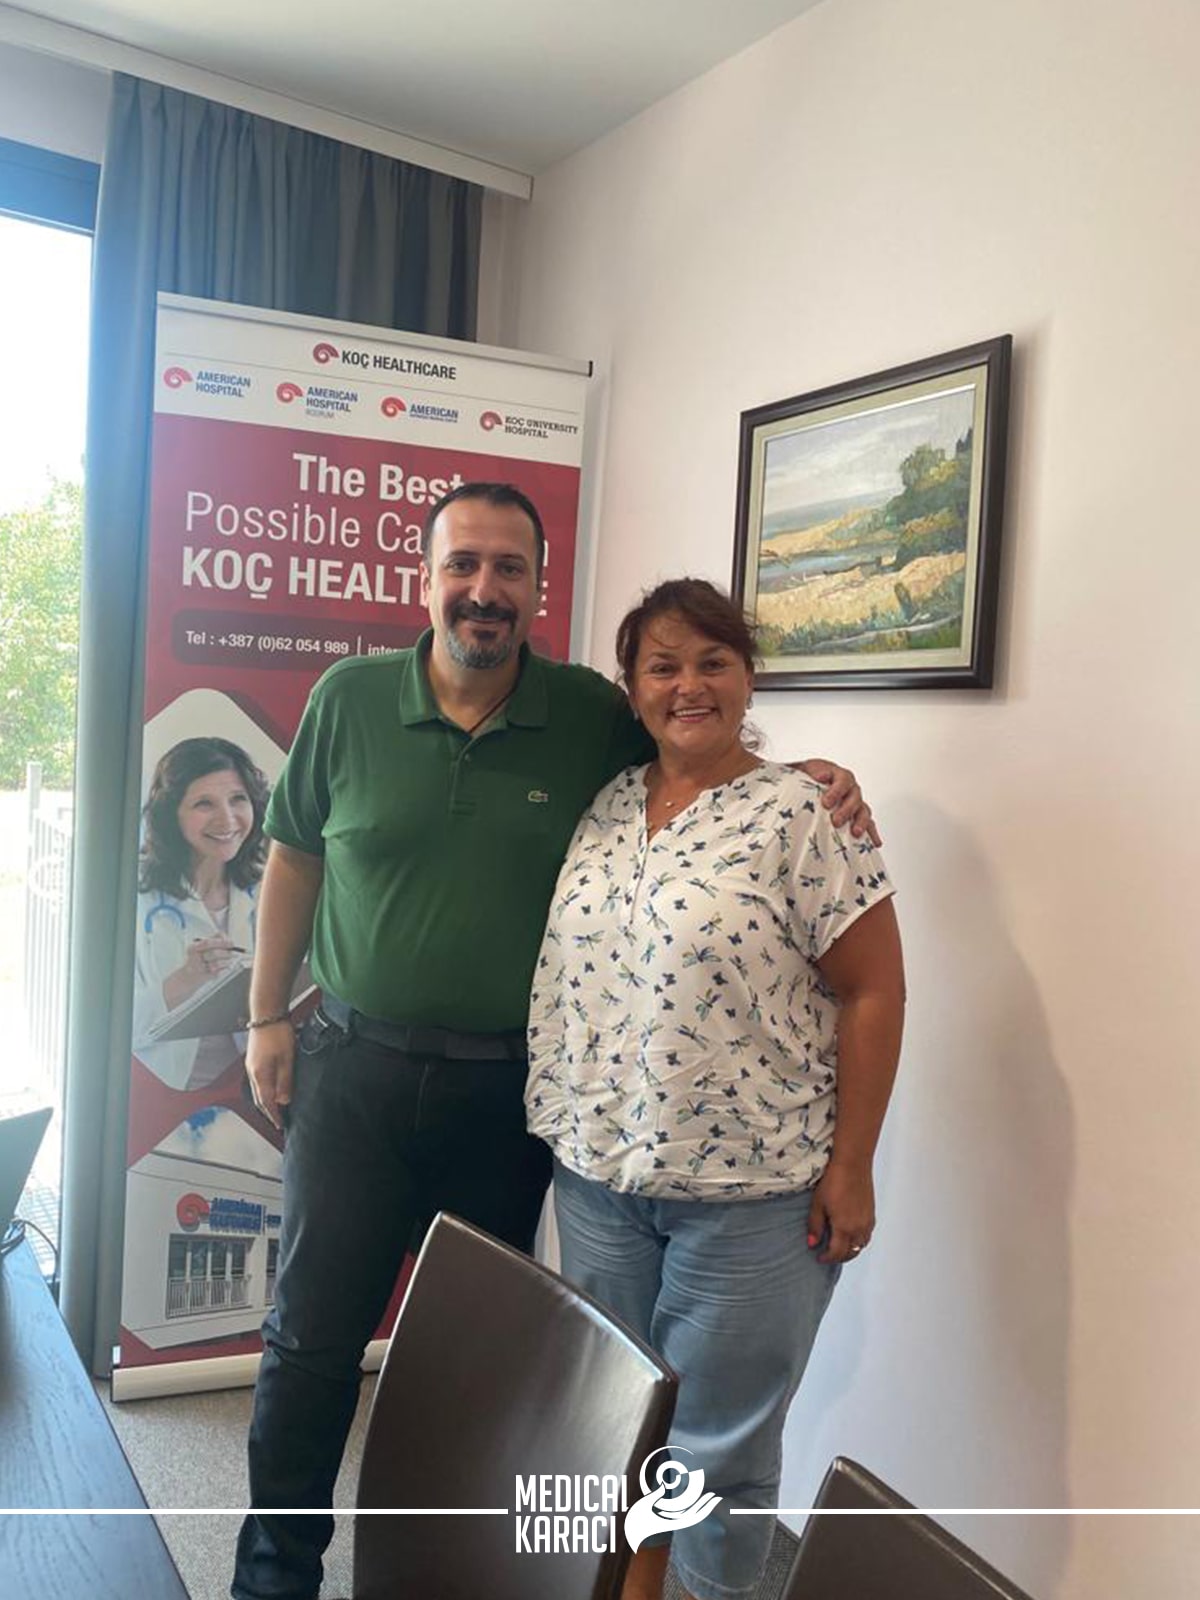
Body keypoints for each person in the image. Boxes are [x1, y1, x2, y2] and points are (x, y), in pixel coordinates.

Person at [232, 484, 876, 1600]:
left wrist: (817, 775)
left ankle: (448, 1577)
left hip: (507, 1098)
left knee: (485, 1359)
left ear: (539, 585)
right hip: (355, 1070)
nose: (483, 590)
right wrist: (263, 1015)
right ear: (426, 579)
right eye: (462, 564)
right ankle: (271, 1579)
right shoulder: (348, 699)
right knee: (309, 1342)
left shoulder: (586, 713)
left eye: (508, 568)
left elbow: (703, 741)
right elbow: (293, 855)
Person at [524, 578, 906, 1600]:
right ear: (632, 689)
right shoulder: (609, 805)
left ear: (748, 677)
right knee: (619, 1424)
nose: (688, 685)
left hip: (753, 1196)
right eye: (663, 666)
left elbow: (873, 991)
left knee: (716, 1458)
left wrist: (854, 1167)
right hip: (600, 1178)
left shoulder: (808, 814)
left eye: (712, 662)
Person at [133, 736, 269, 1092]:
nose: (227, 819)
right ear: (170, 814)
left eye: (238, 799)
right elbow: (111, 1027)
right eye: (204, 804)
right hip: (166, 1096)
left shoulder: (267, 887)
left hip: (251, 1087)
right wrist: (188, 979)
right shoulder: (132, 896)